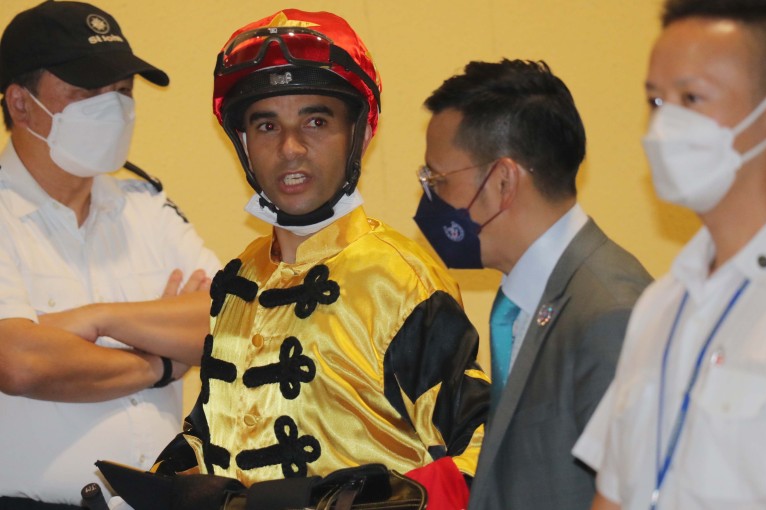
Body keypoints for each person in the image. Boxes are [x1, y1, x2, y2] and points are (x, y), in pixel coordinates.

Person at [147, 8, 489, 508]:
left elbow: (482, 448)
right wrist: (164, 481)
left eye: (316, 120)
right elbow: (213, 430)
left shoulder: (400, 278)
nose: (290, 148)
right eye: (266, 125)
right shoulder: (239, 277)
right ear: (243, 143)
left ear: (361, 134)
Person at [0, 1, 220, 507]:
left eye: (122, 91)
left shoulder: (147, 210)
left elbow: (230, 324)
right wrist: (160, 364)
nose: (114, 105)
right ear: (21, 102)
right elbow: (19, 361)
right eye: (87, 91)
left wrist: (97, 319)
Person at [413, 59, 651, 510]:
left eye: (437, 179)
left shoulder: (611, 314)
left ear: (503, 180)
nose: (429, 197)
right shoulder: (527, 302)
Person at [573, 0, 766, 509]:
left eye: (692, 97)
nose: (665, 128)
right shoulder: (660, 304)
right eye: (656, 101)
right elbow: (614, 495)